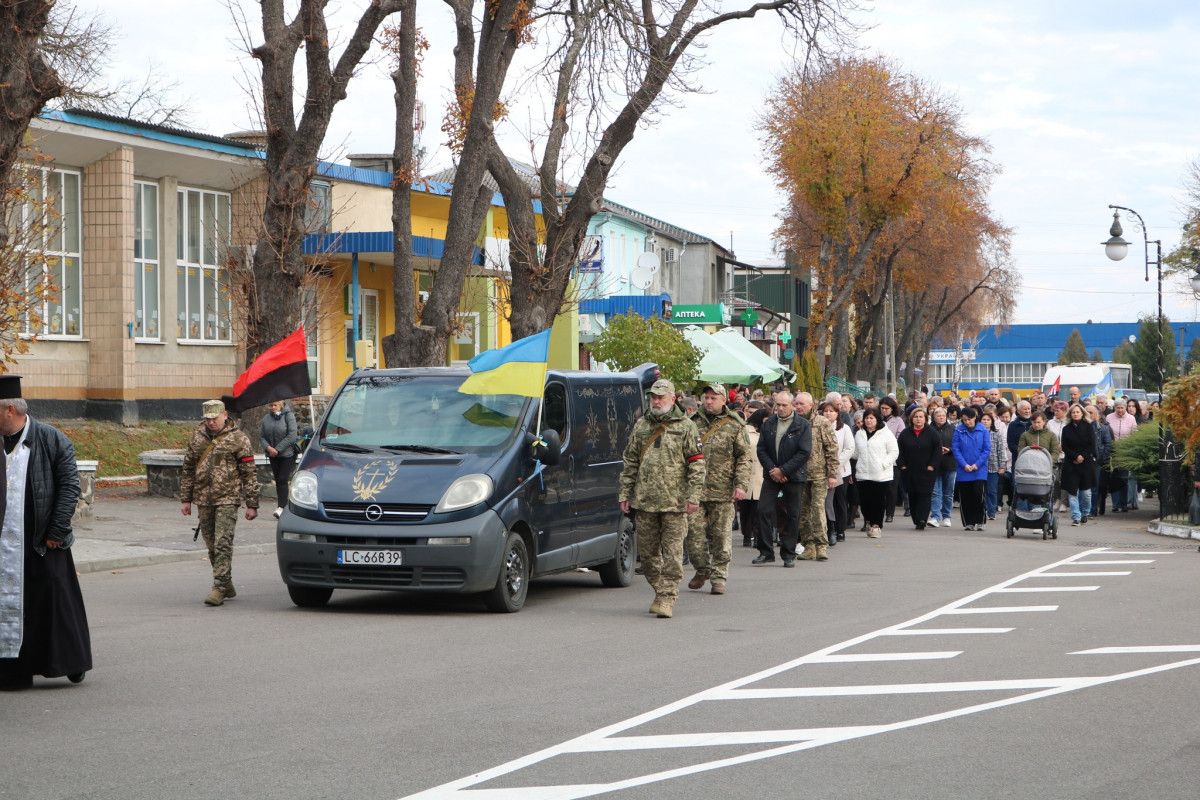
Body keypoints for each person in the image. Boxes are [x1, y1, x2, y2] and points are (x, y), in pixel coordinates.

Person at [0, 375, 91, 690]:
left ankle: (71, 662)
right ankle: (13, 671)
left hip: (43, 540)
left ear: (10, 409)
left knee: (54, 603)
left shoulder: (53, 440)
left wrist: (57, 529)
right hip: (5, 544)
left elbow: (69, 488)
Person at [618, 379, 705, 618]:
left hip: (675, 502)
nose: (656, 401)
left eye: (661, 397)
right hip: (645, 501)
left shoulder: (686, 426)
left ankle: (667, 597)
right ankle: (660, 589)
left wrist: (694, 495)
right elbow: (631, 462)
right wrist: (625, 493)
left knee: (673, 554)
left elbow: (697, 464)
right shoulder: (641, 425)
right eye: (653, 397)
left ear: (672, 398)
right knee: (647, 557)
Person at [181, 399, 261, 607]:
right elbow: (188, 469)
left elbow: (249, 473)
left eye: (214, 418)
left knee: (222, 543)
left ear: (225, 415)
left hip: (228, 498)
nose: (211, 423)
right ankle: (227, 582)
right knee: (211, 545)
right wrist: (186, 499)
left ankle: (218, 588)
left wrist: (252, 503)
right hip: (204, 499)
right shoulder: (198, 438)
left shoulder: (238, 439)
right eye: (207, 419)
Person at [685, 383, 752, 596]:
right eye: (706, 397)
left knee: (722, 538)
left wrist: (741, 485)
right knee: (693, 538)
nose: (709, 401)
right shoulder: (692, 423)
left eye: (714, 398)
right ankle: (703, 569)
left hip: (723, 491)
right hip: (696, 491)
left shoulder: (734, 424)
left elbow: (744, 457)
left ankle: (719, 577)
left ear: (724, 400)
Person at [753, 391, 812, 567]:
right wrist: (773, 470)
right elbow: (761, 448)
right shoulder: (769, 423)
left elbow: (804, 452)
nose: (780, 408)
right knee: (763, 510)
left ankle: (788, 553)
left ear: (792, 405)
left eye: (784, 405)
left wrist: (784, 470)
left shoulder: (802, 425)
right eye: (777, 405)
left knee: (792, 515)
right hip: (771, 475)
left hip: (793, 475)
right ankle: (765, 551)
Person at [794, 392, 839, 562]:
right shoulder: (793, 423)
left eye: (802, 404)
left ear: (811, 405)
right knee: (803, 511)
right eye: (796, 404)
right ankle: (808, 546)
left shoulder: (821, 423)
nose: (798, 407)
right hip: (799, 474)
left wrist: (832, 473)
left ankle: (821, 545)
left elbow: (832, 449)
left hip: (819, 474)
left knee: (818, 509)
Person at [853, 408, 898, 538]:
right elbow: (855, 452)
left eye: (871, 418)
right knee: (865, 501)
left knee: (878, 501)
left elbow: (894, 451)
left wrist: (883, 464)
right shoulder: (859, 434)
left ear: (877, 419)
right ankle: (868, 521)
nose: (868, 421)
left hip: (881, 475)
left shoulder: (886, 434)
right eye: (866, 418)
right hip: (863, 473)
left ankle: (876, 525)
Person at [896, 407, 940, 530]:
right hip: (909, 470)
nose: (918, 419)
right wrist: (902, 466)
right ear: (912, 419)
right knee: (913, 495)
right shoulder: (905, 433)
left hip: (927, 470)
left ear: (925, 419)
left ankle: (922, 519)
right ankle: (916, 518)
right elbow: (899, 451)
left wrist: (932, 466)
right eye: (916, 417)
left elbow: (937, 451)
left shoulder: (932, 433)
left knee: (924, 495)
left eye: (921, 416)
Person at [820, 401, 855, 546]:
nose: (828, 413)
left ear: (837, 413)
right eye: (825, 411)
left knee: (839, 501)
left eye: (831, 411)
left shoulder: (844, 428)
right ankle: (828, 529)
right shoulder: (818, 427)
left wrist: (834, 465)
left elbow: (849, 448)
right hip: (822, 470)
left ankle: (840, 529)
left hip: (841, 471)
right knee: (825, 502)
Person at [953, 406, 991, 531]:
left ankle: (980, 520)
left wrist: (977, 464)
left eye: (969, 419)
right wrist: (964, 464)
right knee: (965, 496)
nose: (967, 422)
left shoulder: (983, 430)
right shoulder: (959, 430)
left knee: (978, 494)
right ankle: (969, 522)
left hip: (979, 469)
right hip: (964, 469)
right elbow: (956, 449)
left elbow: (986, 450)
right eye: (964, 420)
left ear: (975, 417)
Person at [260, 399, 299, 519]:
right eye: (271, 405)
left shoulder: (289, 416)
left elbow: (292, 435)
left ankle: (282, 507)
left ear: (281, 405)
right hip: (273, 455)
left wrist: (278, 449)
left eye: (275, 405)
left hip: (287, 454)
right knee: (278, 480)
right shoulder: (266, 419)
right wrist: (268, 448)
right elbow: (262, 436)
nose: (273, 407)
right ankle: (282, 505)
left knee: (283, 478)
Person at [1060, 403, 1096, 525]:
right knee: (1072, 492)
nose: (1075, 414)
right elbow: (1065, 446)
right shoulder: (1066, 429)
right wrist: (1075, 457)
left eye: (1077, 412)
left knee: (1086, 494)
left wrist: (1082, 457)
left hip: (1086, 463)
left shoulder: (1088, 427)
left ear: (1082, 413)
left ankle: (1085, 513)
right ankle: (1076, 516)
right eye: (1073, 412)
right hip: (1071, 463)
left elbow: (1092, 445)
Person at [739, 409, 766, 548]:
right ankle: (746, 535)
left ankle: (757, 536)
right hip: (747, 473)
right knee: (745, 508)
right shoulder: (744, 431)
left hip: (761, 474)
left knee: (758, 508)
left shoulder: (766, 432)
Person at [928, 406, 957, 527]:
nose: (941, 418)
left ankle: (947, 516)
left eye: (943, 416)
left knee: (948, 492)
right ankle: (935, 516)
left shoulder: (953, 429)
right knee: (935, 492)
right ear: (933, 417)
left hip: (950, 464)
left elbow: (957, 445)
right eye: (938, 415)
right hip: (935, 465)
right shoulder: (929, 429)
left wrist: (949, 449)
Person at [1106, 400, 1137, 512]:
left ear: (1125, 408)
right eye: (1118, 408)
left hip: (1125, 451)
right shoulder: (1109, 417)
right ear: (1114, 408)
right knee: (1114, 478)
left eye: (1122, 408)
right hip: (1112, 452)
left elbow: (1135, 434)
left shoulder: (1131, 419)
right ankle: (1115, 504)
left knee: (1124, 478)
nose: (1120, 410)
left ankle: (1124, 504)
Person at [1088, 404, 1114, 516]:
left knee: (1095, 487)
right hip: (1083, 461)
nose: (1088, 415)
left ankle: (1093, 510)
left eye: (1091, 413)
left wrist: (1101, 458)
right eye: (1086, 412)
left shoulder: (1103, 428)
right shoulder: (1079, 427)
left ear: (1097, 415)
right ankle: (1083, 510)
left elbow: (1108, 444)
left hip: (1097, 462)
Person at [981, 410, 1005, 521]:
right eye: (984, 420)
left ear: (992, 422)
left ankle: (991, 511)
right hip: (980, 466)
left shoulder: (996, 434)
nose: (986, 422)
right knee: (982, 490)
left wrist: (1002, 466)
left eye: (988, 420)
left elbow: (1000, 450)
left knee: (992, 490)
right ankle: (983, 510)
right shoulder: (978, 433)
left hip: (993, 466)